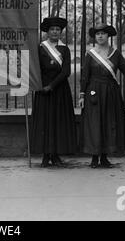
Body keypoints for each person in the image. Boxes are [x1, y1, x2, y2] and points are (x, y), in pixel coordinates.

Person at [79, 24, 125, 168]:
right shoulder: (90, 54)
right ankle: (94, 158)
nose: (100, 36)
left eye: (103, 33)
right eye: (98, 34)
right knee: (95, 124)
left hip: (111, 93)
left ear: (108, 36)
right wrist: (82, 94)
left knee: (108, 123)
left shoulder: (115, 54)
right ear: (95, 37)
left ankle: (104, 157)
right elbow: (85, 76)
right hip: (94, 92)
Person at [31, 17, 77, 167]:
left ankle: (56, 155)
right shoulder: (40, 48)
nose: (55, 32)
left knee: (58, 122)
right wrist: (40, 85)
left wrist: (52, 86)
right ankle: (45, 155)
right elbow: (35, 68)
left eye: (58, 29)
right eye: (52, 29)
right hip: (43, 90)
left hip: (59, 89)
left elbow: (66, 71)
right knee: (45, 122)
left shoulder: (65, 49)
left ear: (61, 32)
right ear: (47, 32)